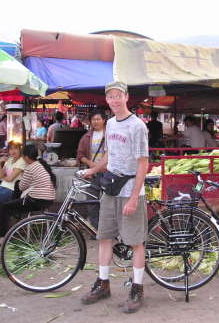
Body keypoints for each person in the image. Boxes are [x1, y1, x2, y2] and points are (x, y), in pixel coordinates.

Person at [81, 81, 149, 313]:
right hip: (111, 188)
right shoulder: (110, 123)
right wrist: (93, 170)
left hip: (130, 188)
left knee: (135, 241)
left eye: (119, 95)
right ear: (107, 100)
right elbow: (110, 155)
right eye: (111, 96)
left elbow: (143, 164)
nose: (115, 100)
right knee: (104, 237)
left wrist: (133, 198)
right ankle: (103, 283)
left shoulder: (137, 126)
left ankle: (138, 288)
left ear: (126, 97)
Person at [0, 144, 56, 245]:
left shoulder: (30, 168)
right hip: (49, 200)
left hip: (36, 201)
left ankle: (3, 236)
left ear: (27, 157)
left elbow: (21, 187)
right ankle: (16, 211)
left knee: (4, 207)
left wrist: (21, 178)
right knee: (16, 189)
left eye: (23, 156)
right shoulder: (42, 165)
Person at [76, 110, 107, 230]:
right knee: (92, 202)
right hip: (92, 174)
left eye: (98, 119)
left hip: (107, 174)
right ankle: (96, 229)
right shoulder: (86, 137)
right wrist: (92, 164)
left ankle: (108, 230)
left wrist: (100, 166)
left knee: (108, 203)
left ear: (104, 120)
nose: (96, 122)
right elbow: (80, 155)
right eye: (93, 120)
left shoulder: (109, 135)